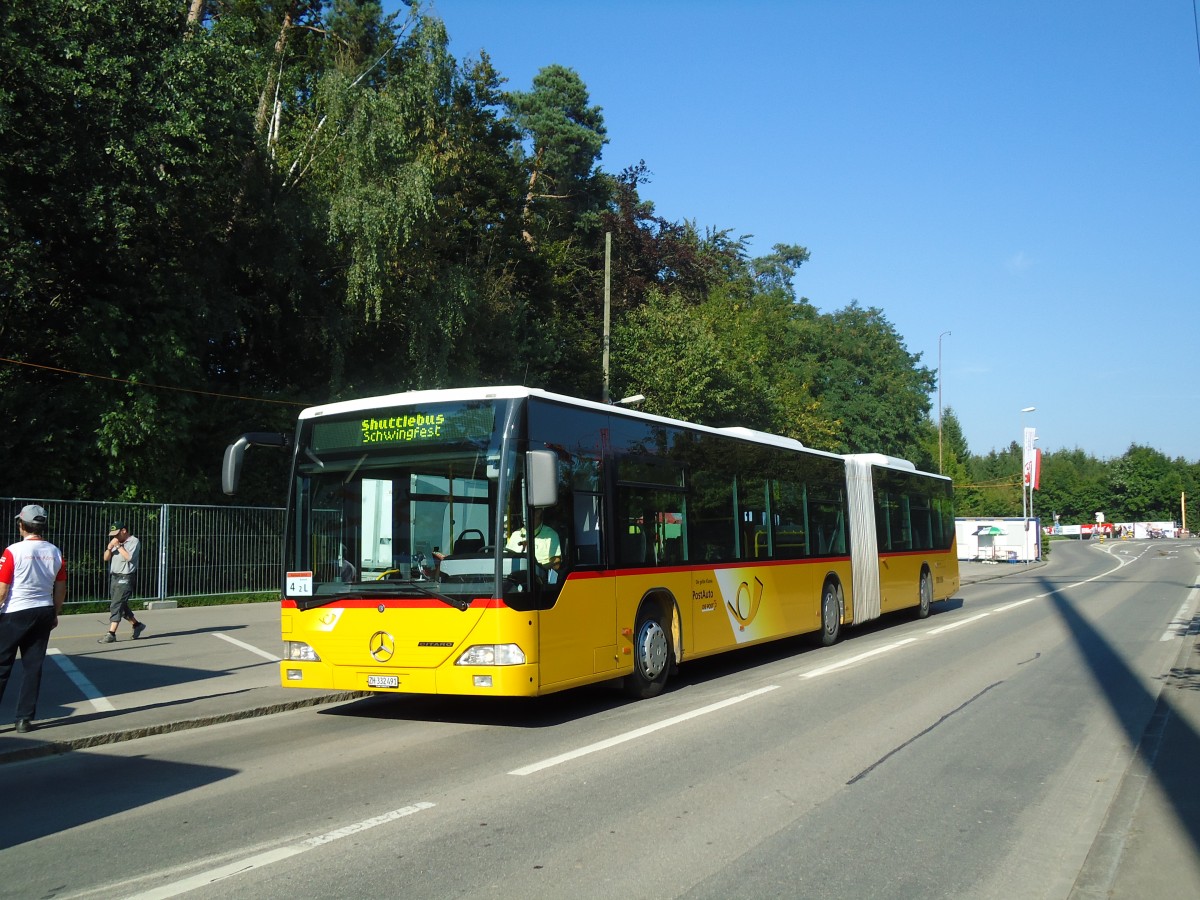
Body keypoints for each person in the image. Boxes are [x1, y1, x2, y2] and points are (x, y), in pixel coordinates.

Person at [0, 505, 67, 733]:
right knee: (33, 666)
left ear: (22, 525)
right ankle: (23, 719)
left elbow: (2, 589)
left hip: (15, 612)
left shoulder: (12, 551)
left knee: (2, 665)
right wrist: (54, 613)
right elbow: (60, 588)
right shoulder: (55, 552)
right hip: (43, 611)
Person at [100, 522, 146, 643]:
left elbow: (129, 557)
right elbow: (105, 558)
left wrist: (119, 546)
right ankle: (137, 625)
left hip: (126, 577)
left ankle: (111, 633)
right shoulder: (115, 542)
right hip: (115, 576)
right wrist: (109, 548)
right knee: (121, 604)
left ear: (124, 530)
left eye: (116, 533)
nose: (115, 537)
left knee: (116, 604)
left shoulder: (134, 541)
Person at [506, 508, 562, 579]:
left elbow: (556, 563)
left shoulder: (551, 535)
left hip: (540, 580)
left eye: (524, 510)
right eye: (521, 511)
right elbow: (506, 559)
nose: (521, 513)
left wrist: (537, 568)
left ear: (538, 513)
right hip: (515, 579)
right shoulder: (515, 535)